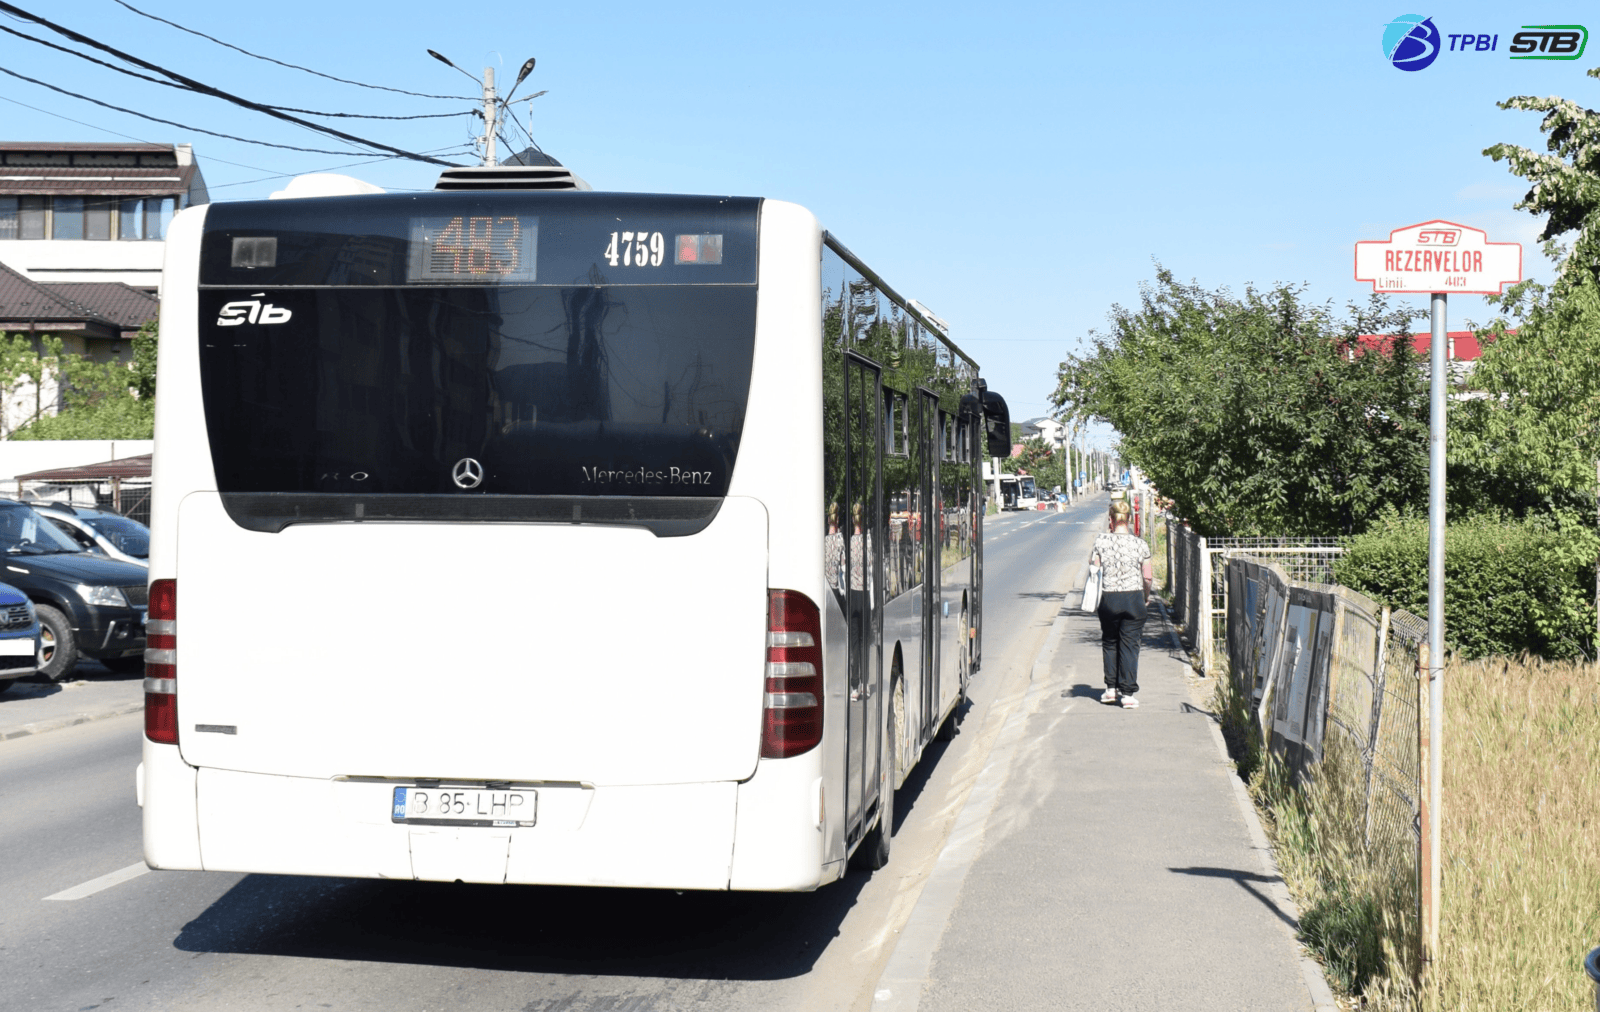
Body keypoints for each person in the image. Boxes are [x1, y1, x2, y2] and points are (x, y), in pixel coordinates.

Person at [1089, 498, 1153, 709]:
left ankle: (1110, 690)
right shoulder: (1140, 544)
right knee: (1130, 645)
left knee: (1110, 641)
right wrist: (1145, 596)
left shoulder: (1101, 541)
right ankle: (1128, 695)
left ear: (1111, 519)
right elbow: (1147, 577)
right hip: (1134, 599)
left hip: (1109, 598)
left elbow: (1094, 567)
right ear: (1130, 519)